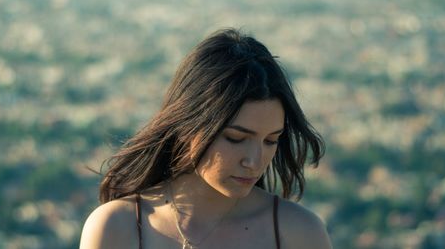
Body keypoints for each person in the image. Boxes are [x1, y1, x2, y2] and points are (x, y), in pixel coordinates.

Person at [80, 28, 333, 249]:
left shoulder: (299, 233)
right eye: (235, 138)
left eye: (270, 141)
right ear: (189, 126)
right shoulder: (117, 227)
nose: (254, 161)